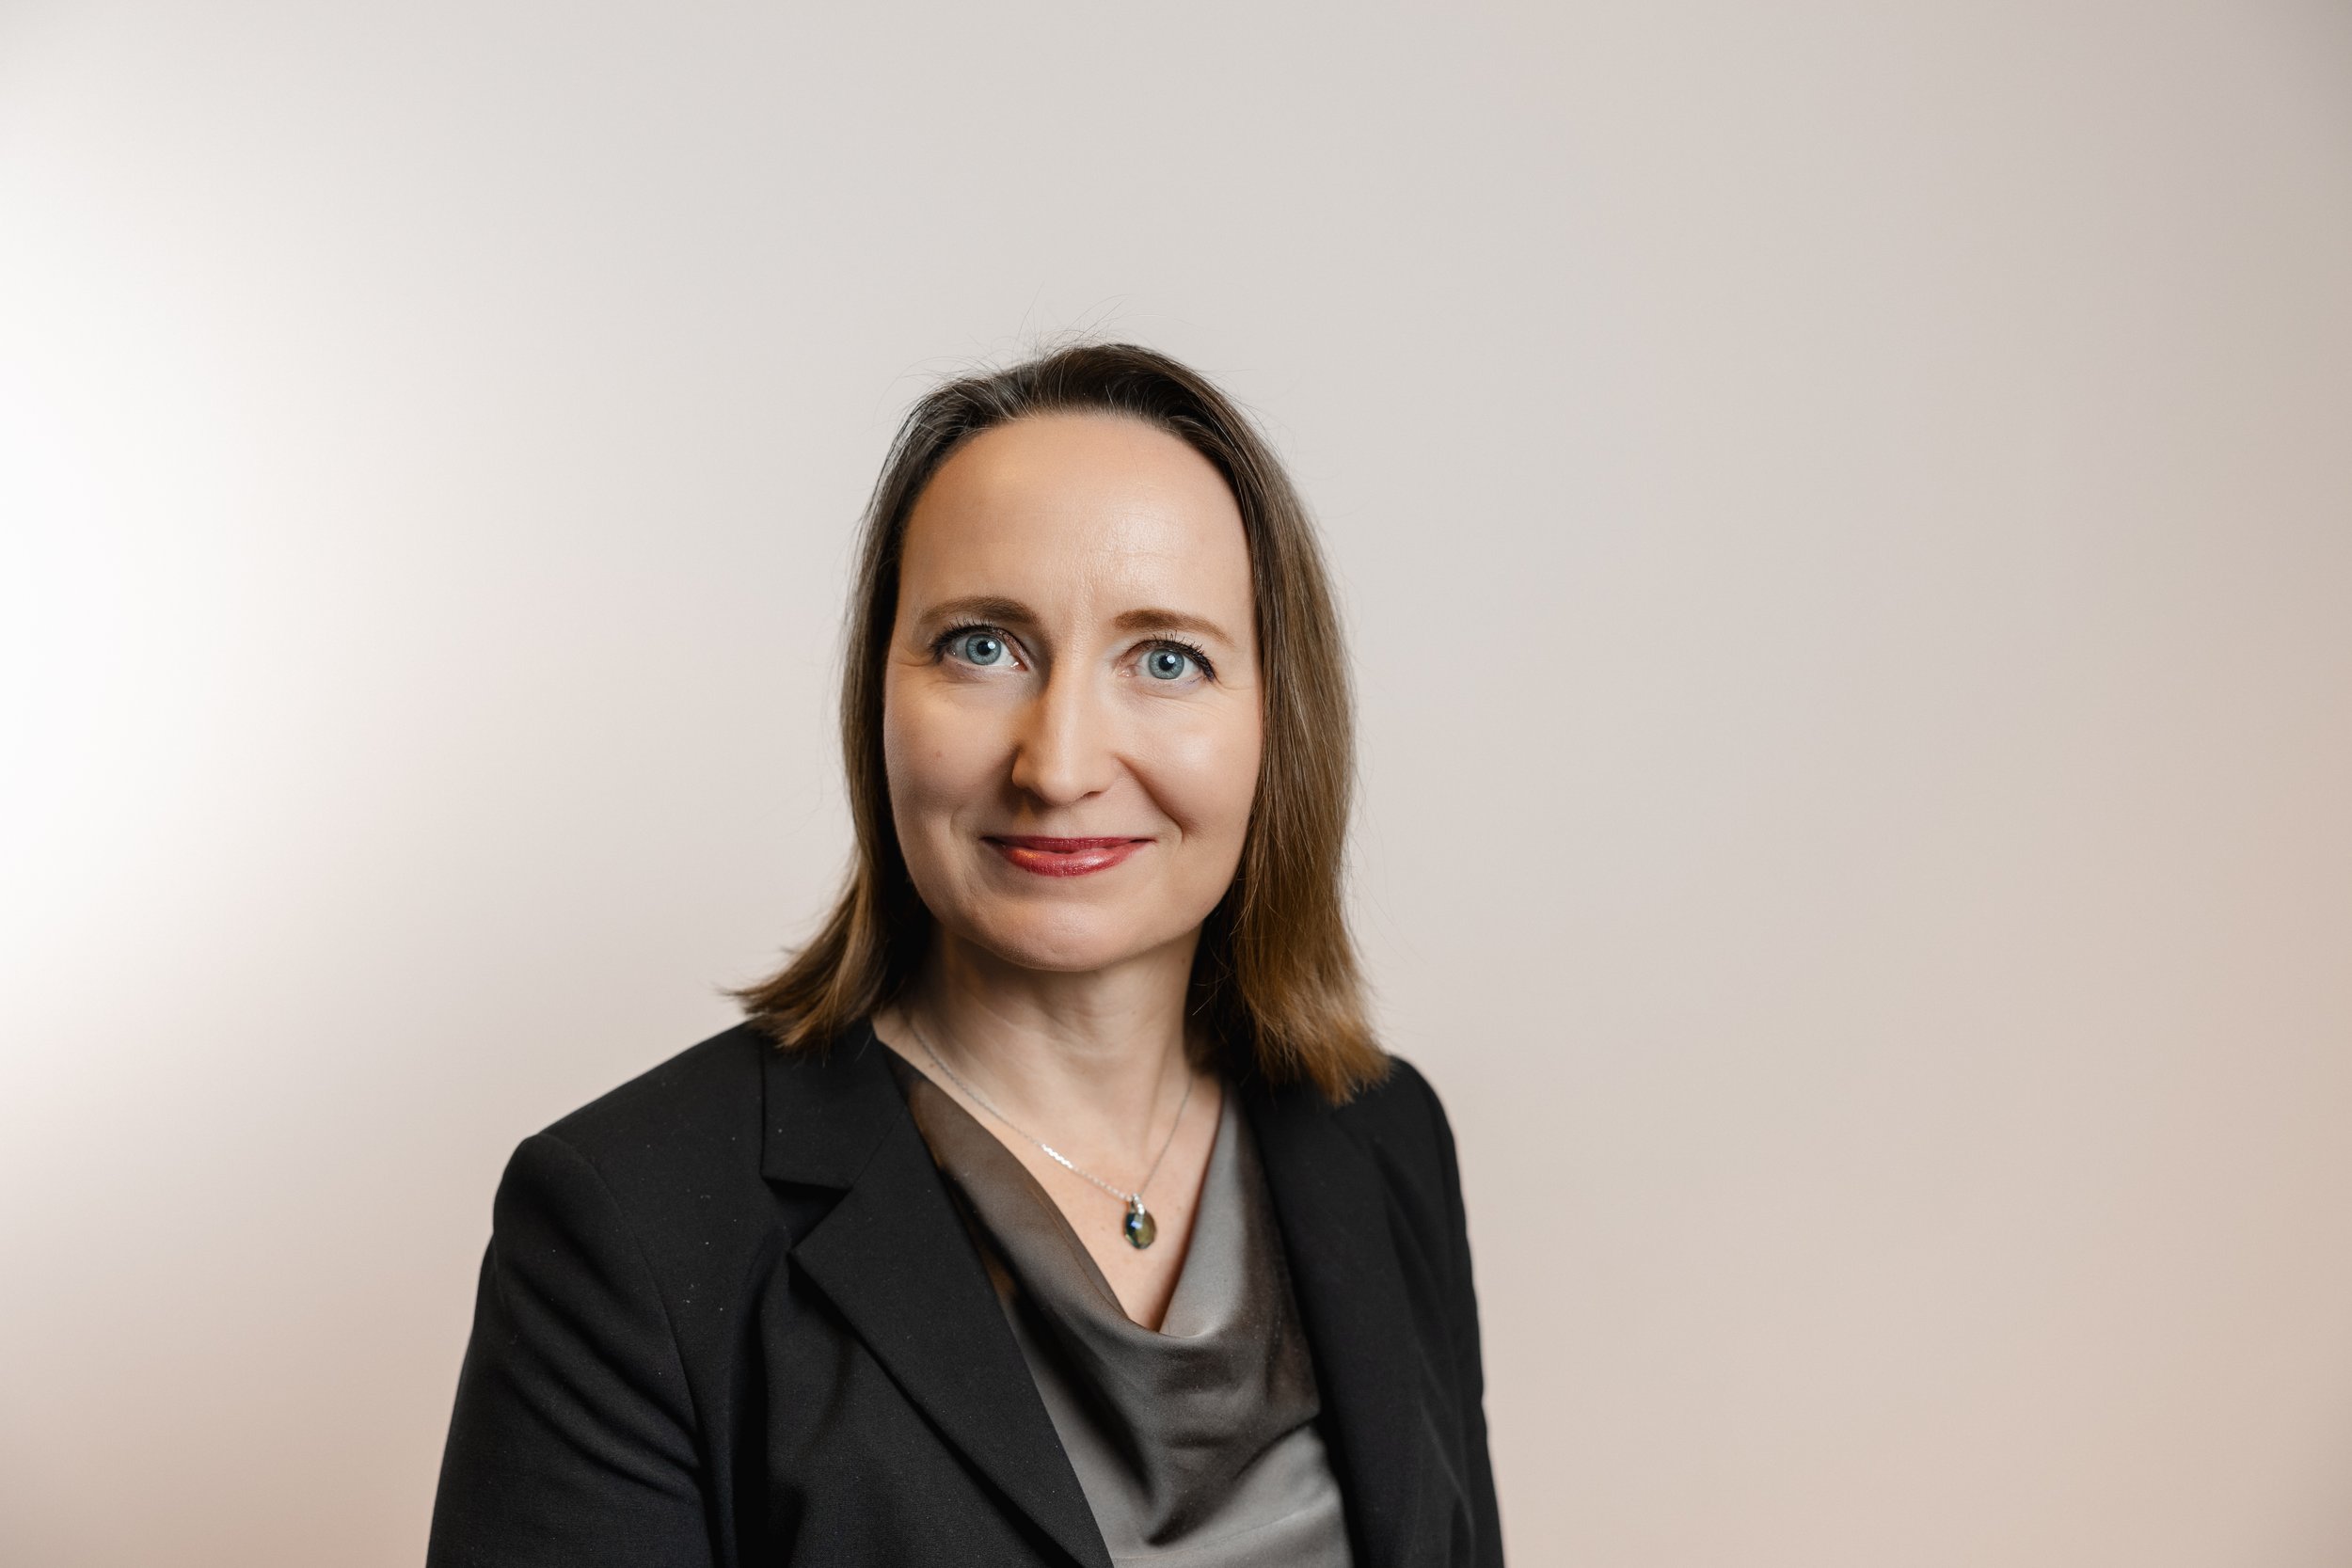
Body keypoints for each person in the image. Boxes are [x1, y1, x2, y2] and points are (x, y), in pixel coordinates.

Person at [424, 343, 1502, 1567]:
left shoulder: (1384, 1135)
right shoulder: (630, 1223)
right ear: (877, 695)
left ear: (1277, 719)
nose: (1059, 764)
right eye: (983, 645)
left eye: (1166, 659)